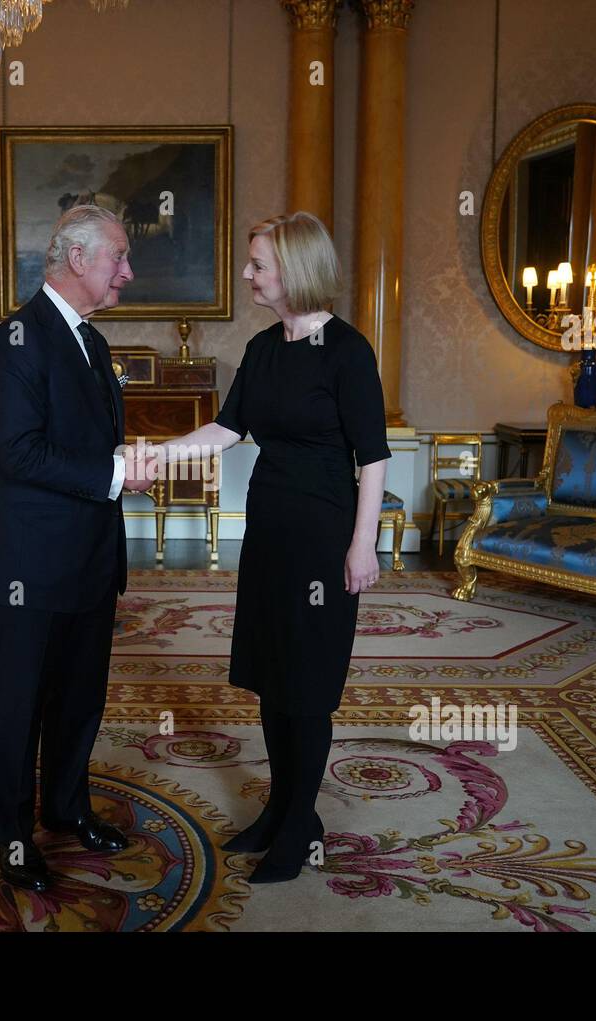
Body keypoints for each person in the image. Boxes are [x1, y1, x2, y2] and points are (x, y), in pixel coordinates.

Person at [152, 211, 389, 883]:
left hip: (325, 536)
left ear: (296, 270)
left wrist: (362, 545)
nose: (249, 274)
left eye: (258, 264)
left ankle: (297, 826)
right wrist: (151, 455)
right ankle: (286, 808)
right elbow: (227, 430)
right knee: (273, 674)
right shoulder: (261, 350)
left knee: (308, 685)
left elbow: (372, 457)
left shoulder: (348, 351)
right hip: (270, 533)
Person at [0, 204, 160, 892]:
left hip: (89, 557)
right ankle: (11, 835)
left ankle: (66, 806)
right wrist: (113, 473)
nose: (128, 272)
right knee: (21, 703)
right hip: (31, 565)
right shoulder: (17, 338)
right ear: (78, 259)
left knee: (82, 696)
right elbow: (20, 453)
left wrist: (120, 469)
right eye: (119, 257)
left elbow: (84, 448)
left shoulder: (93, 342)